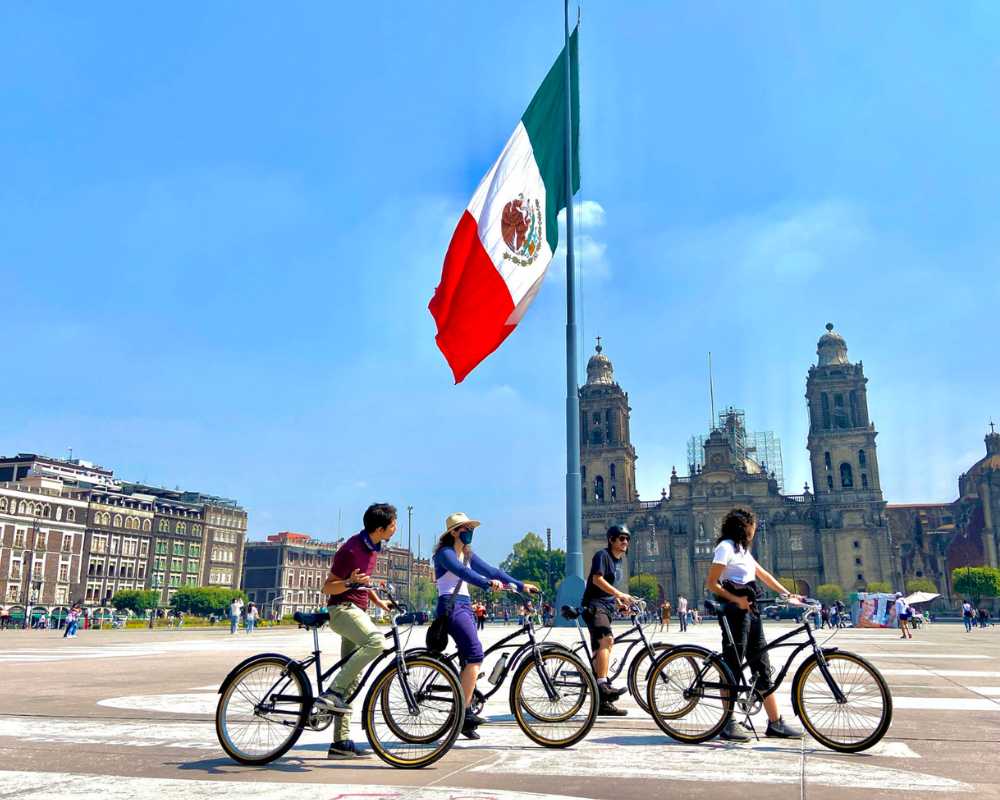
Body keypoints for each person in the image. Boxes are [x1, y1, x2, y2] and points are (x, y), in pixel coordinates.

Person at [433, 512, 538, 740]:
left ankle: (466, 710)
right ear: (454, 532)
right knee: (475, 655)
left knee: (466, 659)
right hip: (451, 606)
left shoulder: (467, 553)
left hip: (465, 606)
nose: (470, 532)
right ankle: (461, 714)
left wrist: (521, 586)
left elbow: (492, 571)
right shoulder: (445, 553)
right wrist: (486, 584)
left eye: (471, 528)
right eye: (466, 528)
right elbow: (464, 573)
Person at [706, 507, 802, 742]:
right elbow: (712, 583)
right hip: (734, 613)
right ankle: (727, 722)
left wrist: (787, 594)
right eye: (752, 528)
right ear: (743, 527)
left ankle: (775, 722)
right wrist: (735, 599)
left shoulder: (743, 551)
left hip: (751, 611)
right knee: (732, 665)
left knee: (761, 664)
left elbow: (763, 574)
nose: (754, 532)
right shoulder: (725, 548)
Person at [314, 502, 398, 759]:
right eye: (393, 525)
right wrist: (349, 581)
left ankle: (340, 743)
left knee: (352, 677)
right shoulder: (351, 549)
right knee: (377, 642)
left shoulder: (373, 548)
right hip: (342, 611)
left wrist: (380, 603)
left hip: (357, 612)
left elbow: (364, 583)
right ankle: (332, 693)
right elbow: (328, 588)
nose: (395, 529)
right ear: (380, 528)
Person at [581, 524, 636, 717]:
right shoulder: (602, 556)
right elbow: (597, 580)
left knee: (602, 649)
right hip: (594, 606)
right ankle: (603, 684)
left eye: (627, 539)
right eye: (621, 538)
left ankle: (601, 703)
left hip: (605, 606)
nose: (625, 542)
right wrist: (620, 593)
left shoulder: (618, 561)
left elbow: (607, 590)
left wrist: (620, 603)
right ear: (611, 539)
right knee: (607, 640)